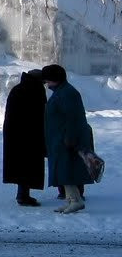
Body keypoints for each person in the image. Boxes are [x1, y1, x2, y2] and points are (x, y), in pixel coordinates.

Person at [40, 63, 92, 213]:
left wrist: (69, 137)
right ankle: (72, 200)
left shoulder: (67, 93)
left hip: (65, 139)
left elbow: (72, 117)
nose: (46, 83)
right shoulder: (62, 91)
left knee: (66, 170)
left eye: (47, 80)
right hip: (59, 139)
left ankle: (75, 200)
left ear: (55, 79)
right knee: (63, 171)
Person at [2, 69, 46, 206]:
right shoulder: (35, 90)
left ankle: (22, 194)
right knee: (28, 165)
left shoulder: (18, 88)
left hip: (15, 134)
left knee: (21, 165)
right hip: (30, 134)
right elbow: (40, 114)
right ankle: (23, 196)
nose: (45, 84)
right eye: (43, 81)